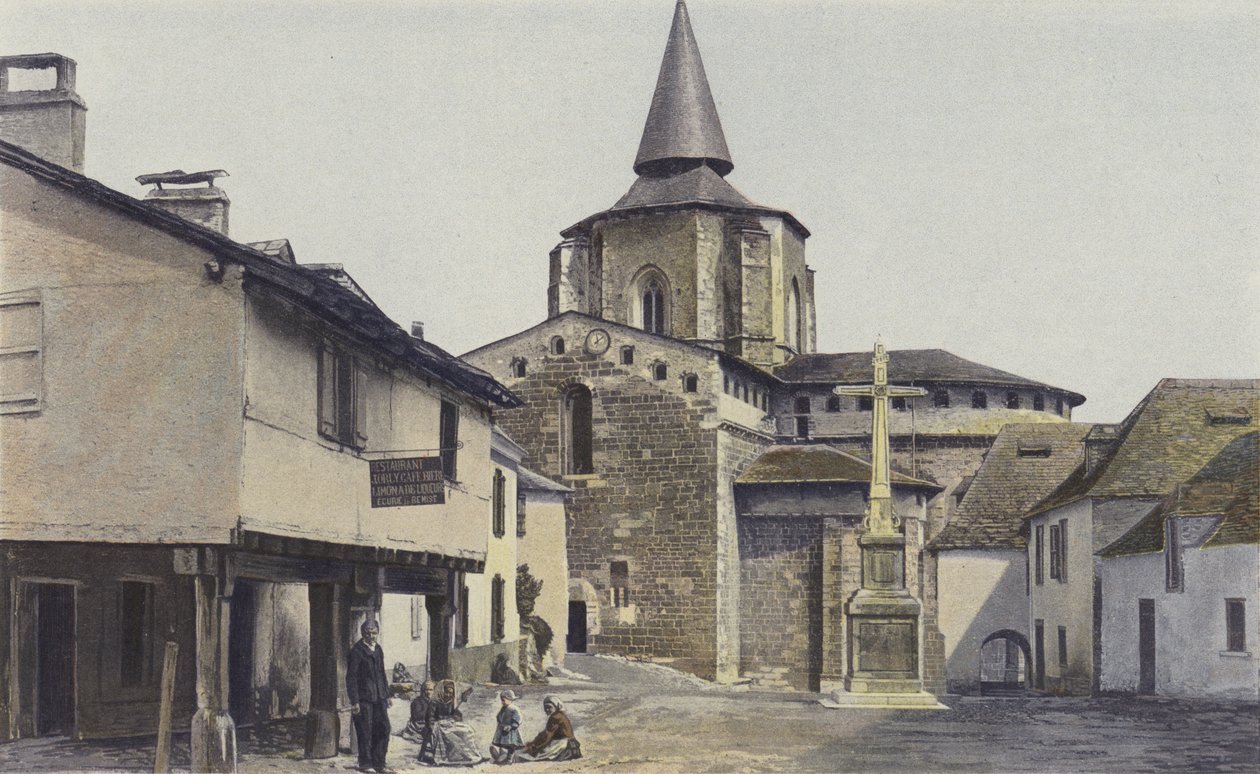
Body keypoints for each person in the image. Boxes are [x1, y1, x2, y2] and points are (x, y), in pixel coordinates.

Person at [346, 620, 393, 773]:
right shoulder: (357, 651)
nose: (371, 636)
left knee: (384, 728)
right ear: (363, 633)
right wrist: (354, 701)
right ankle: (365, 764)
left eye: (374, 633)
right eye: (368, 633)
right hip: (364, 698)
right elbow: (351, 677)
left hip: (379, 697)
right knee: (365, 731)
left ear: (378, 633)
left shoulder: (378, 649)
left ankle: (379, 763)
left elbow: (382, 673)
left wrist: (387, 695)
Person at [428, 679, 485, 766]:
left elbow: (453, 714)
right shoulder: (434, 702)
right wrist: (434, 726)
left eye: (451, 693)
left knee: (467, 730)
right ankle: (454, 756)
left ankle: (472, 755)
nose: (448, 695)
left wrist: (456, 715)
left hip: (449, 723)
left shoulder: (450, 702)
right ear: (442, 691)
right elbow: (430, 718)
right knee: (453, 737)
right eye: (446, 692)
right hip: (439, 726)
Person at [512, 696, 581, 762]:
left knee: (527, 756)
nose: (547, 709)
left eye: (549, 707)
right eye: (545, 707)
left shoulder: (555, 717)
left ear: (556, 707)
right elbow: (547, 732)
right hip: (570, 744)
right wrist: (534, 742)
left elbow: (547, 735)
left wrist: (534, 747)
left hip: (562, 744)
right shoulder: (560, 715)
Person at [400, 680, 436, 758]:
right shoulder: (417, 702)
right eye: (426, 689)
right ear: (423, 690)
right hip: (420, 724)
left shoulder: (435, 701)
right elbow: (417, 716)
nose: (428, 692)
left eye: (431, 690)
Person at [489, 690, 523, 764]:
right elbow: (499, 716)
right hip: (503, 729)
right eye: (501, 700)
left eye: (503, 700)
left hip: (511, 730)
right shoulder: (503, 708)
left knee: (511, 745)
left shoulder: (514, 709)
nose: (502, 702)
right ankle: (501, 754)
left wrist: (512, 726)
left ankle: (509, 758)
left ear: (510, 699)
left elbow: (518, 719)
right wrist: (499, 720)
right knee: (502, 743)